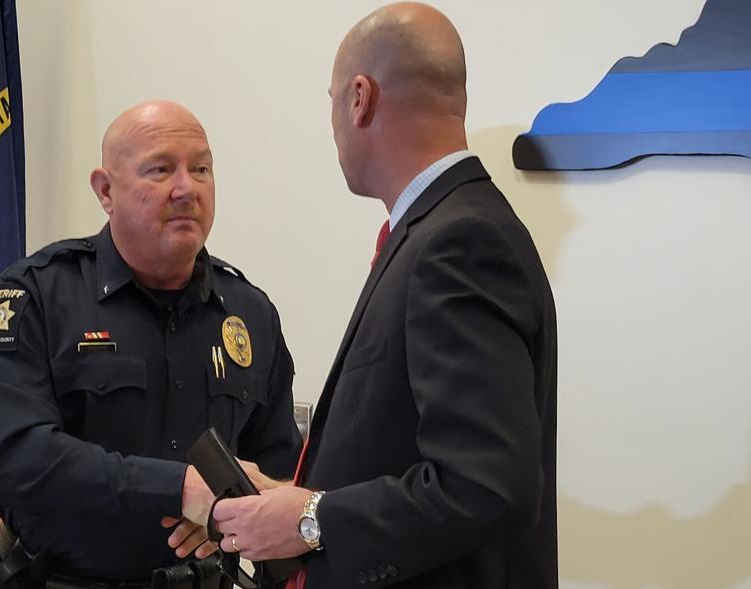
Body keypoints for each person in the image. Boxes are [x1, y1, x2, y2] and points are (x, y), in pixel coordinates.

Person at [211, 3, 558, 588]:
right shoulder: (440, 230)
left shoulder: (459, 242)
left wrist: (312, 519)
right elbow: (405, 452)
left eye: (331, 101)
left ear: (360, 98)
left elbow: (485, 484)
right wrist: (296, 501)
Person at [0, 100, 303, 584]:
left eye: (202, 169)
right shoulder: (36, 296)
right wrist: (181, 489)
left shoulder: (249, 314)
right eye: (161, 169)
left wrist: (235, 521)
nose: (187, 188)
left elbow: (278, 472)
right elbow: (19, 460)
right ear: (106, 190)